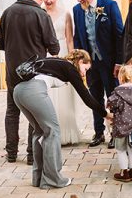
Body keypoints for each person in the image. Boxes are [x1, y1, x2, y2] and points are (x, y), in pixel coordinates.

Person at [13, 50, 108, 189]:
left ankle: (38, 178)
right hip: (34, 91)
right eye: (85, 69)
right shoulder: (69, 67)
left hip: (18, 91)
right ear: (80, 61)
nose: (84, 74)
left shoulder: (57, 63)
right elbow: (87, 98)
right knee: (53, 131)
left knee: (39, 131)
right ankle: (53, 180)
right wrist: (106, 114)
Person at [0, 0, 60, 163]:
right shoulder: (41, 15)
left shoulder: (8, 12)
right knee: (34, 112)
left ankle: (11, 153)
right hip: (34, 72)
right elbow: (53, 45)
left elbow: (0, 43)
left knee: (12, 111)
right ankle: (32, 155)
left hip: (12, 71)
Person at [72, 0, 125, 148]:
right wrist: (80, 61)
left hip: (109, 63)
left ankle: (115, 133)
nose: (79, 0)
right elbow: (78, 36)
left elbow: (119, 35)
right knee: (94, 98)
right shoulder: (77, 10)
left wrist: (119, 62)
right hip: (91, 64)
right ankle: (98, 132)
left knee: (113, 97)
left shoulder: (109, 5)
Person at [42, 0, 84, 146]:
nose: (48, 1)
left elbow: (69, 38)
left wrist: (71, 59)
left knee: (64, 94)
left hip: (62, 53)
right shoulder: (41, 12)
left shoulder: (65, 14)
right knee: (49, 94)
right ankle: (49, 132)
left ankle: (66, 132)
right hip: (45, 55)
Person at [107, 65, 132, 182]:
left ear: (121, 78)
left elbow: (111, 104)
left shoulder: (118, 93)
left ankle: (124, 172)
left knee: (121, 149)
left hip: (120, 126)